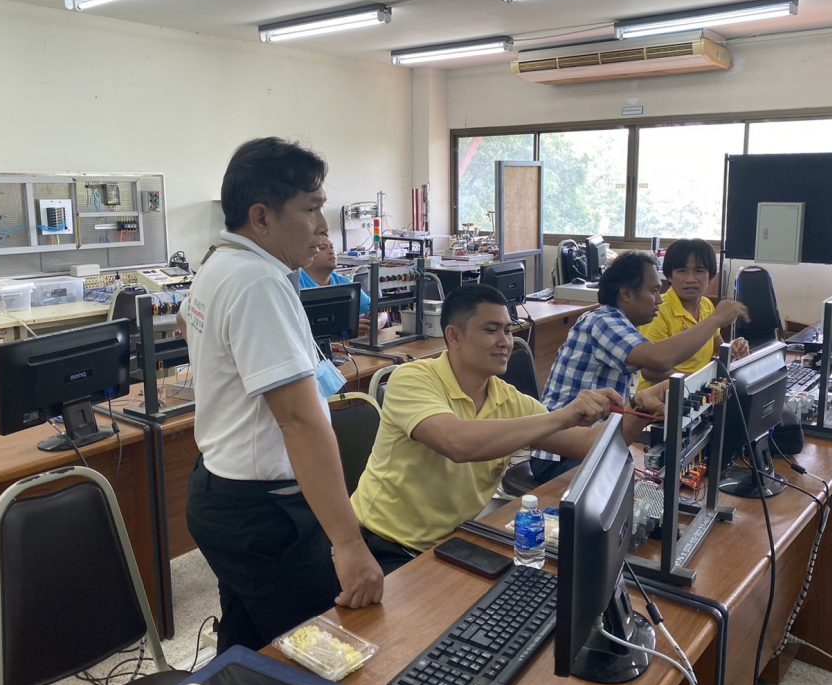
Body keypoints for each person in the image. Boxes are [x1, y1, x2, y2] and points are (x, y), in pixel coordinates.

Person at [182, 137, 383, 653]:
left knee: (248, 645)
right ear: (262, 217)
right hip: (264, 513)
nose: (322, 225)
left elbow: (189, 324)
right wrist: (348, 544)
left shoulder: (220, 264)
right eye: (310, 209)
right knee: (324, 649)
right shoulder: (258, 282)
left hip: (222, 492)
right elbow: (298, 421)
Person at [350, 284, 665, 574]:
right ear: (454, 336)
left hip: (452, 542)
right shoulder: (412, 379)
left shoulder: (507, 398)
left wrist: (642, 408)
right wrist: (562, 416)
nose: (506, 341)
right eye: (491, 330)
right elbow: (457, 443)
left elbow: (589, 444)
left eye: (508, 329)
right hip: (381, 546)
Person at [532, 250, 749, 483]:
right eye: (654, 291)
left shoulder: (623, 324)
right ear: (626, 293)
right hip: (560, 454)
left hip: (597, 441)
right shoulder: (602, 321)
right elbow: (658, 359)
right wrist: (716, 319)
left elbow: (656, 367)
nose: (659, 299)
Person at [637, 238, 749, 391]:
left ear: (710, 276)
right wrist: (698, 381)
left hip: (700, 393)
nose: (690, 279)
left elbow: (716, 348)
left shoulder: (707, 305)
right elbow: (650, 370)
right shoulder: (658, 310)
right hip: (661, 397)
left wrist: (733, 350)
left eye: (699, 271)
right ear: (669, 276)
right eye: (682, 271)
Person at [299, 238, 388, 334]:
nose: (331, 251)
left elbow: (379, 310)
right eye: (323, 248)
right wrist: (347, 326)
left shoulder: (344, 283)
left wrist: (376, 322)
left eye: (332, 247)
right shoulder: (296, 284)